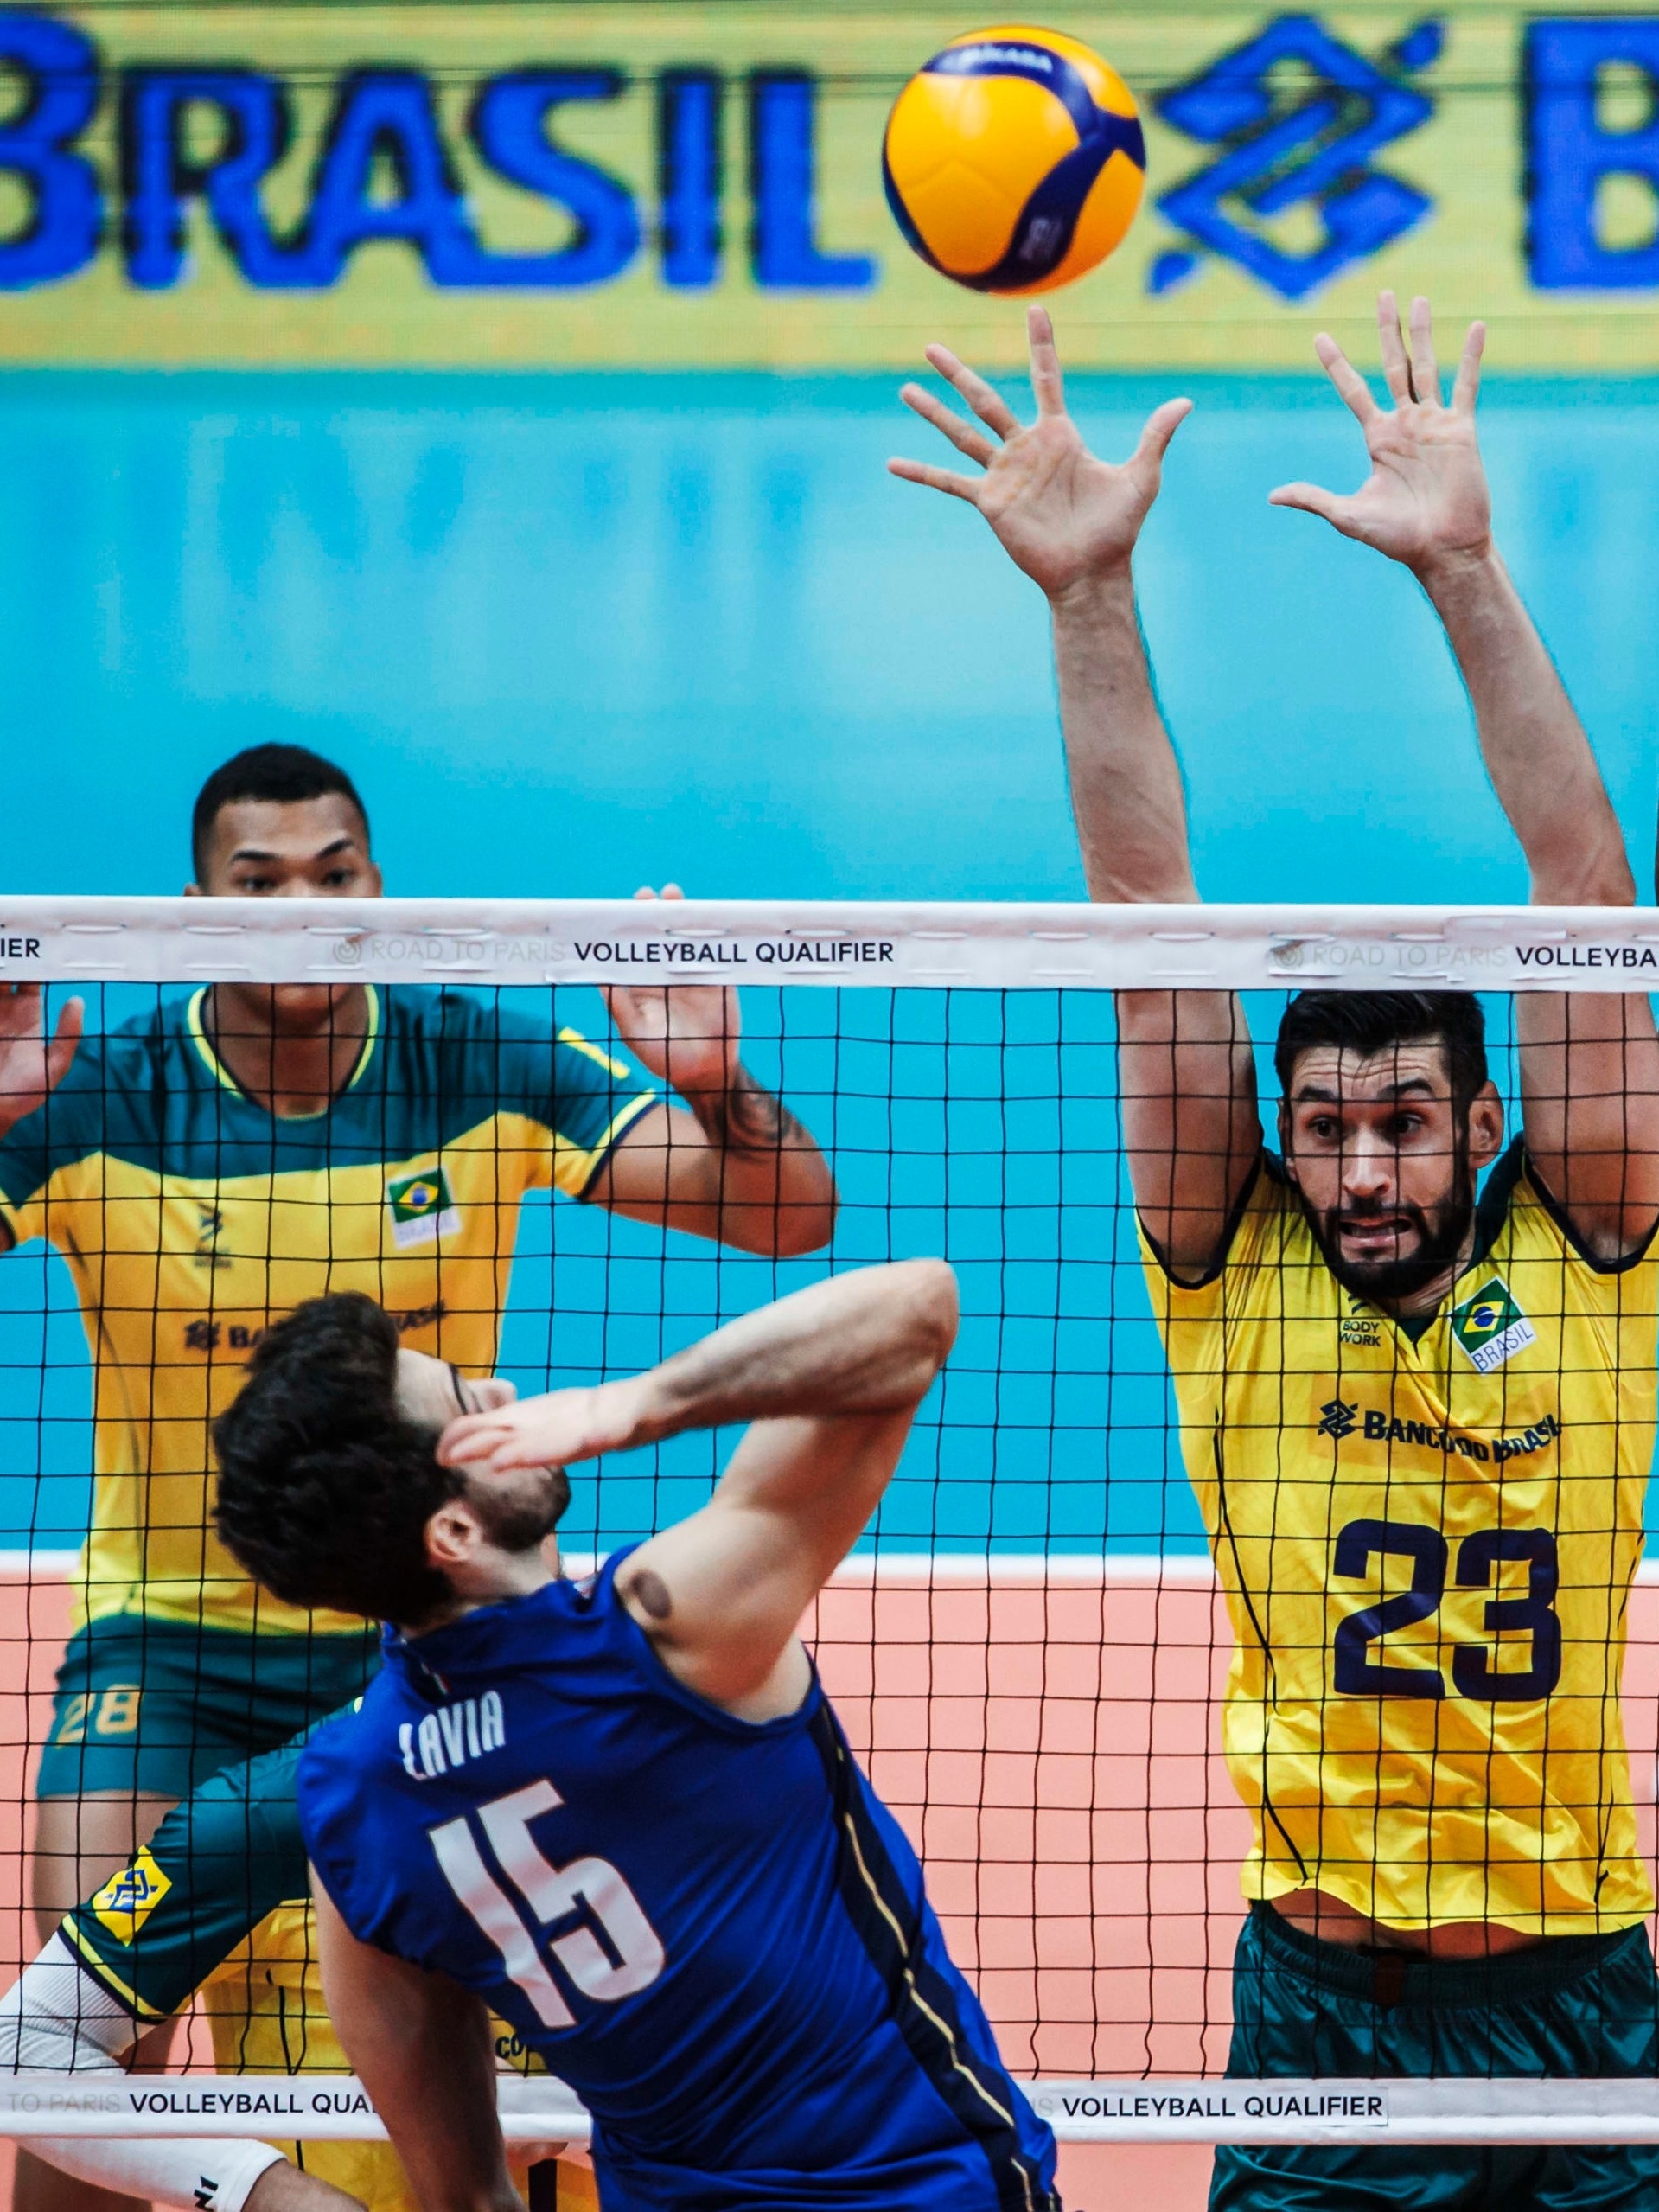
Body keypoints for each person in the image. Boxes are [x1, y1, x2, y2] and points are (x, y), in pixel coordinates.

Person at [891, 295, 1659, 2209]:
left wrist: (1463, 572)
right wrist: (1082, 596)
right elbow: (1144, 915)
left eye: (1401, 1122)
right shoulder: (1235, 1279)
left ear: (1478, 1128)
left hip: (1579, 1989)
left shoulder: (1589, 1252)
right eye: (1320, 1129)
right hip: (1317, 2008)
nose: (1360, 1166)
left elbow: (1579, 894)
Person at [0, 742, 837, 2212]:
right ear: (194, 905)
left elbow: (785, 1215)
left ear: (380, 887)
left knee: (511, 2063)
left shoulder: (475, 1058)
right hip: (170, 1645)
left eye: (338, 875)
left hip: (422, 1621)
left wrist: (715, 1084)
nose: (304, 908)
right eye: (257, 885)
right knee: (80, 2059)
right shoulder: (99, 1099)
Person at [207, 1267, 1060, 2212]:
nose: (500, 1392)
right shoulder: (657, 1639)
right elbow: (916, 1308)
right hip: (922, 2189)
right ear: (452, 1527)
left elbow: (467, 2200)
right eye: (467, 1408)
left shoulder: (349, 1806)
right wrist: (624, 1406)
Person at [3, 1727, 597, 2212]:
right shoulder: (262, 1822)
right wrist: (260, 2189)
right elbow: (19, 2053)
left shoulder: (649, 1773)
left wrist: (567, 2114)